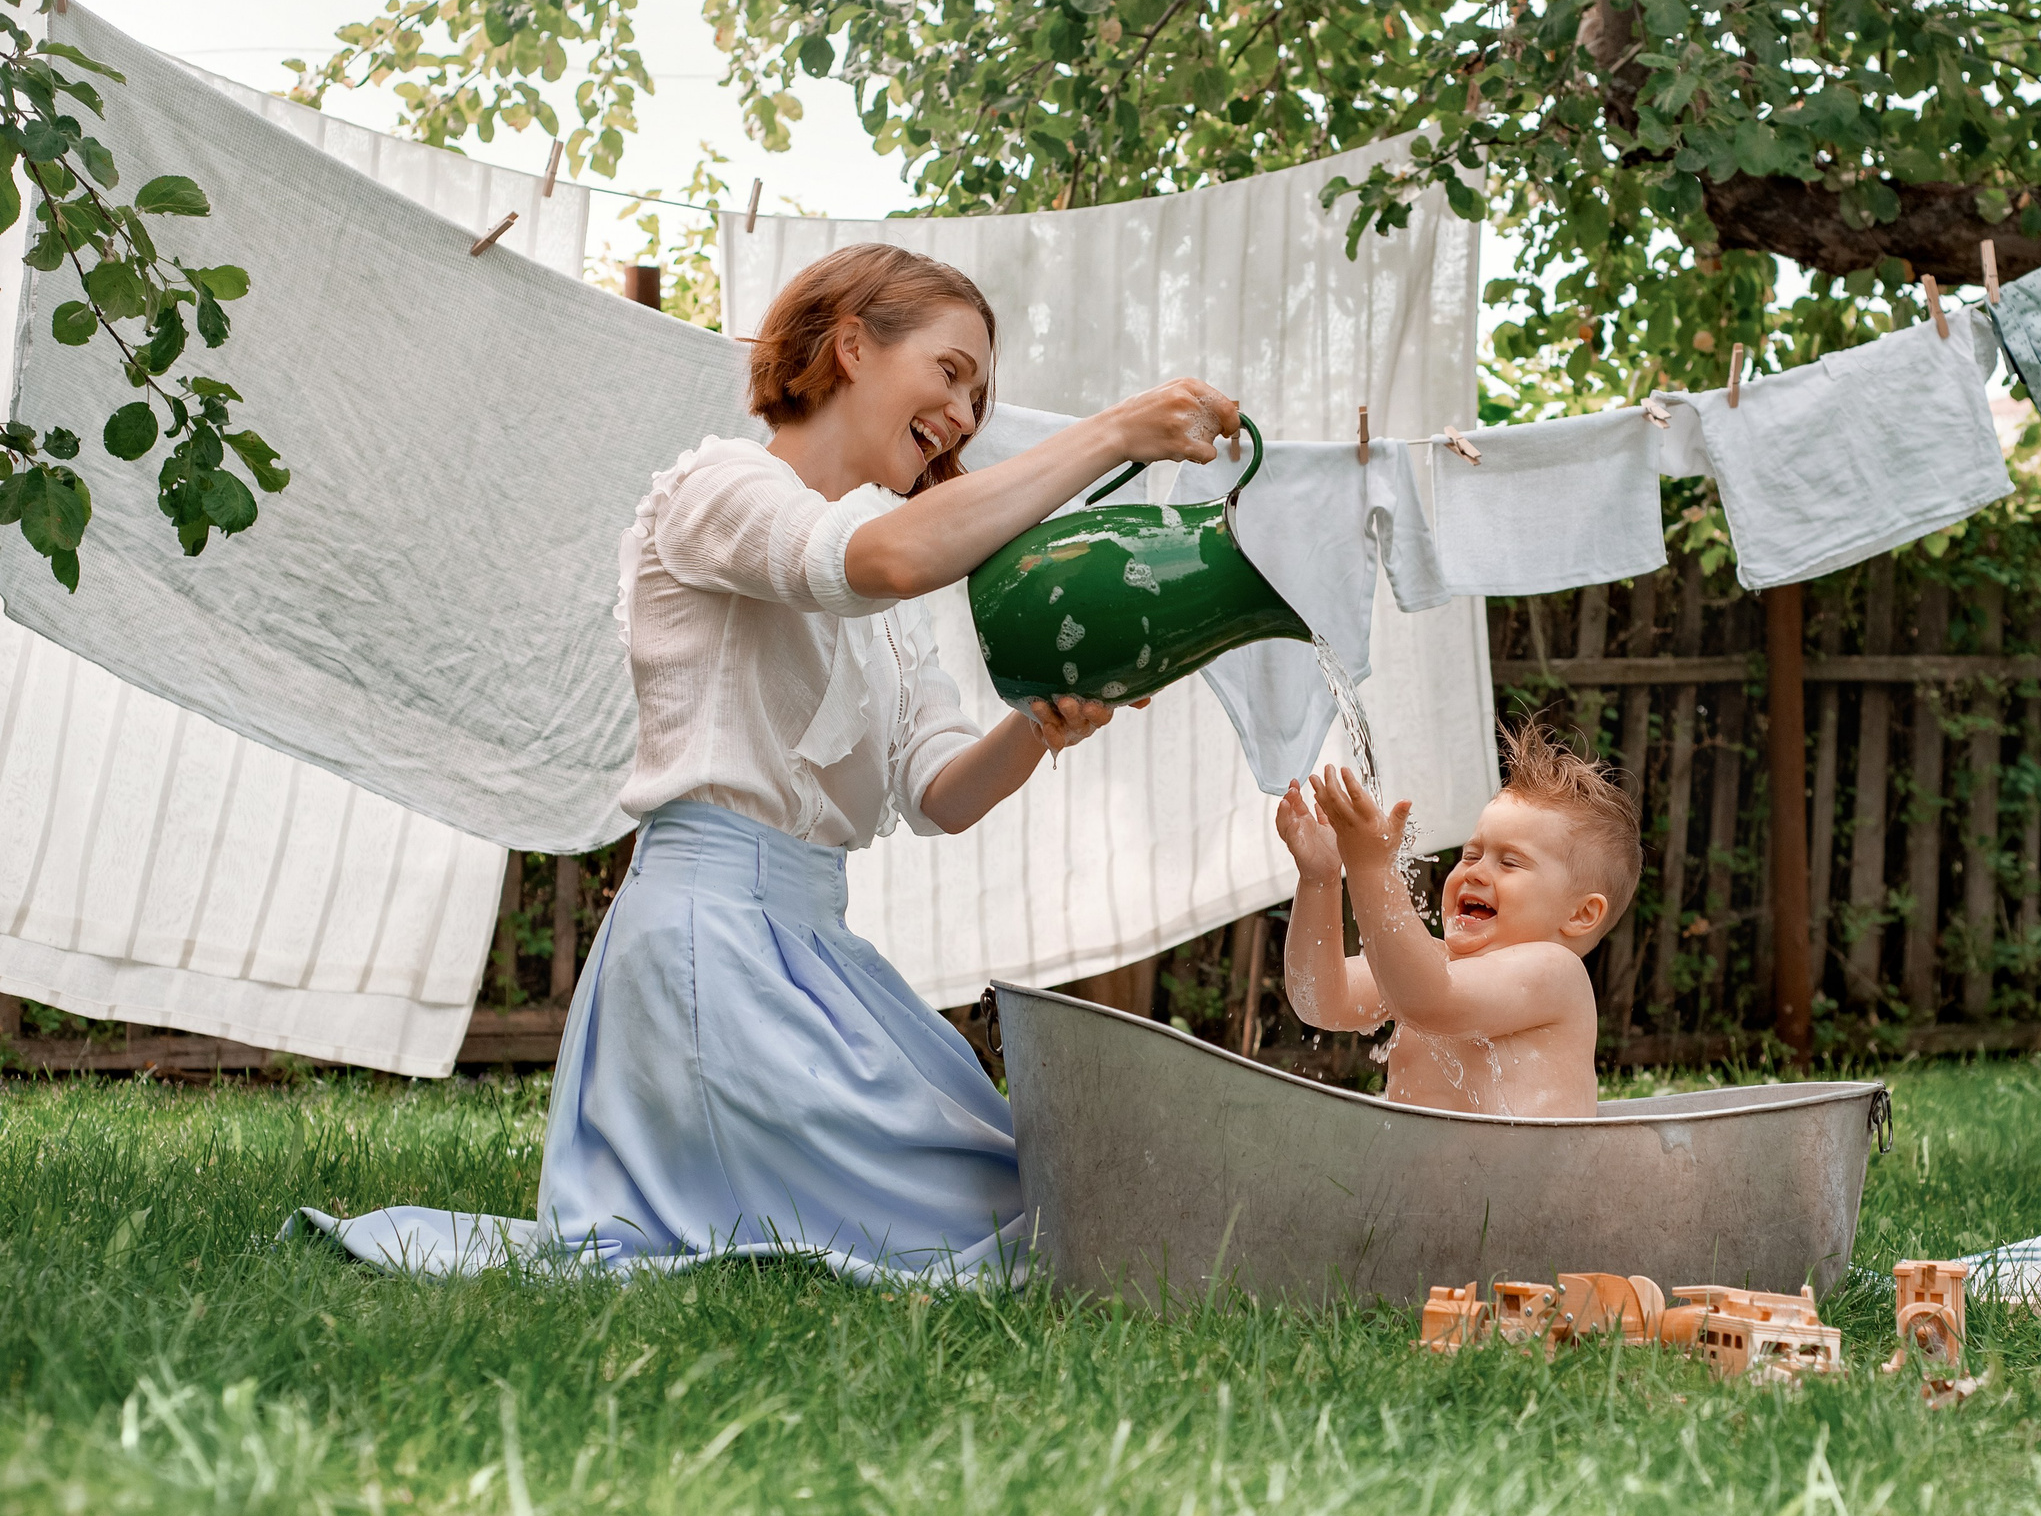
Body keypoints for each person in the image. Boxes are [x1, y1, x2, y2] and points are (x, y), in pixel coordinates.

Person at [533, 243, 1234, 1279]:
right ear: (852, 345)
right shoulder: (720, 487)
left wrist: (1037, 725)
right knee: (1018, 1232)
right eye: (950, 373)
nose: (962, 415)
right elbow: (889, 557)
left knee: (1032, 1189)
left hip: (815, 955)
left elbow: (939, 790)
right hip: (703, 953)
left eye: (978, 398)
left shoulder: (882, 590)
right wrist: (1116, 433)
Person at [1273, 721, 1635, 1118]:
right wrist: (1321, 880)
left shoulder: (1555, 974)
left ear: (1581, 914)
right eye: (1471, 854)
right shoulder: (1430, 964)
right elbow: (1321, 1002)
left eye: (1510, 862)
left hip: (1523, 1180)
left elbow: (1429, 1002)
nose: (1476, 872)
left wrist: (1373, 869)